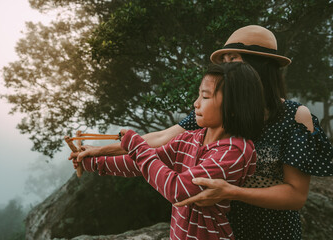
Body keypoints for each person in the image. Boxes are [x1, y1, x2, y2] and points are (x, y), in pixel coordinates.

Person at [70, 25, 333, 239]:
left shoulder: (294, 116)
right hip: (219, 228)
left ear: (260, 66)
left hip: (270, 231)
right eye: (225, 61)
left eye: (234, 60)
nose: (227, 69)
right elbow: (164, 140)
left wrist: (231, 192)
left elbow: (296, 195)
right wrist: (97, 152)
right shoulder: (214, 115)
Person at [71, 62, 266, 239]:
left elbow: (178, 190)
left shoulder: (234, 151)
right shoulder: (192, 137)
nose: (196, 103)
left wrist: (137, 146)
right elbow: (142, 164)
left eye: (205, 96)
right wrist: (94, 162)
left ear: (233, 106)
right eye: (199, 95)